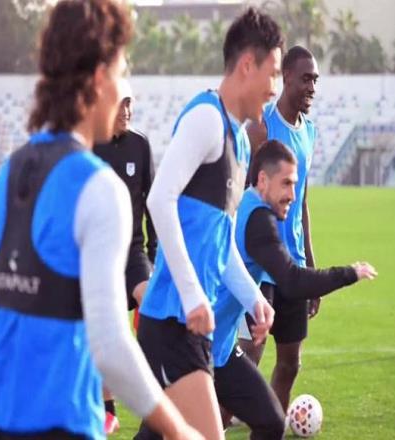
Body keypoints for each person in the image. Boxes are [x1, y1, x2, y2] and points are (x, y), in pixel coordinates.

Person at [0, 1, 203, 439]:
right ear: (99, 78)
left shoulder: (9, 173)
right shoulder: (99, 188)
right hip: (64, 425)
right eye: (122, 71)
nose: (124, 88)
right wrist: (180, 430)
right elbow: (109, 343)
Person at [135, 8, 284, 440]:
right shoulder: (205, 119)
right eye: (273, 73)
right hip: (171, 323)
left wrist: (253, 298)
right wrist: (191, 293)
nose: (274, 88)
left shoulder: (240, 142)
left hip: (195, 328)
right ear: (247, 65)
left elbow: (222, 245)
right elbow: (159, 199)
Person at [213, 140, 377, 438]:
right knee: (170, 430)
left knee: (271, 421)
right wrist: (349, 273)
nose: (293, 194)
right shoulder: (258, 219)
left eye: (295, 184)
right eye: (286, 183)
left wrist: (256, 303)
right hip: (193, 343)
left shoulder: (247, 204)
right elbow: (292, 280)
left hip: (219, 348)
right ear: (263, 180)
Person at [241, 45, 321, 413]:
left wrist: (311, 266)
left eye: (315, 80)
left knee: (290, 363)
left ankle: (268, 426)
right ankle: (216, 422)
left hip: (294, 263)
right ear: (286, 77)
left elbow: (301, 200)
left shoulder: (310, 132)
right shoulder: (261, 127)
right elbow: (243, 195)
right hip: (261, 262)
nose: (312, 87)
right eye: (306, 79)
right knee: (248, 355)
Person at [93, 95, 156, 434]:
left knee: (153, 301)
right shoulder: (90, 146)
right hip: (100, 253)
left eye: (130, 104)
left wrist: (154, 253)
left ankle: (158, 382)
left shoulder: (140, 145)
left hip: (132, 251)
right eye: (120, 104)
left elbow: (153, 202)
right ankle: (108, 409)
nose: (127, 111)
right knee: (107, 329)